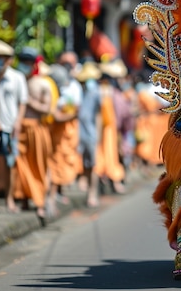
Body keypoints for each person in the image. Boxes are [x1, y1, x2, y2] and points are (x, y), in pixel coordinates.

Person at [13, 47, 54, 221]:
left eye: (28, 62)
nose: (25, 65)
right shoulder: (15, 81)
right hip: (18, 128)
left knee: (38, 166)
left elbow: (47, 109)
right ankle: (22, 199)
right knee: (19, 166)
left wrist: (28, 102)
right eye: (23, 61)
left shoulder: (43, 84)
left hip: (37, 129)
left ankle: (40, 202)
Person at [0, 40, 28, 213]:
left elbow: (23, 103)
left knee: (10, 164)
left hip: (9, 127)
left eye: (1, 57)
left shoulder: (17, 78)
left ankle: (10, 198)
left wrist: (18, 123)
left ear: (9, 59)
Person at [48, 61, 83, 214]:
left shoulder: (71, 88)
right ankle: (51, 197)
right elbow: (55, 115)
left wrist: (69, 115)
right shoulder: (49, 89)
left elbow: (73, 108)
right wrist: (69, 115)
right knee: (53, 163)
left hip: (63, 132)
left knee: (59, 161)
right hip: (52, 132)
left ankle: (56, 194)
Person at [94, 59, 127, 195]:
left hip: (109, 129)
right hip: (105, 128)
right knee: (108, 153)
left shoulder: (110, 92)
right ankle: (113, 180)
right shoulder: (107, 92)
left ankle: (111, 180)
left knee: (109, 153)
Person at [74, 61, 103, 207]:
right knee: (83, 163)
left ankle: (93, 193)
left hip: (90, 133)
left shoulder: (97, 92)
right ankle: (86, 189)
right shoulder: (78, 91)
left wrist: (98, 135)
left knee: (93, 165)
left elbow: (98, 115)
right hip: (78, 132)